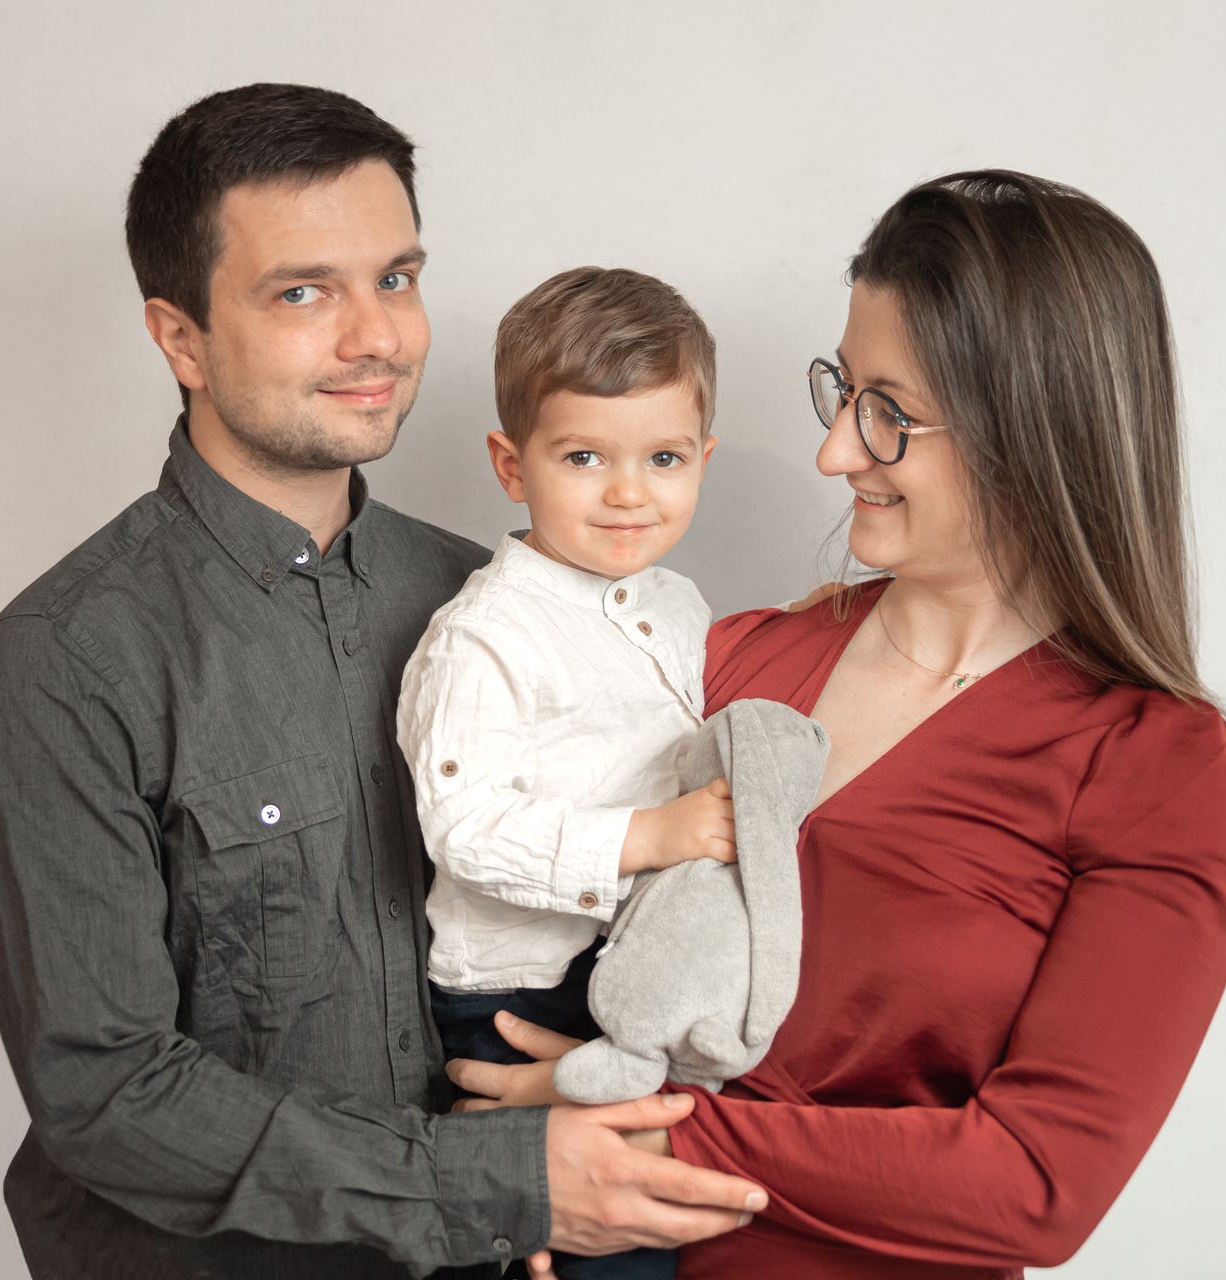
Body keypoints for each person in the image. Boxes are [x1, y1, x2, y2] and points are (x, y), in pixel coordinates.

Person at [0, 84, 763, 1280]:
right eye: (302, 292)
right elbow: (108, 1091)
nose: (377, 335)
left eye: (395, 276)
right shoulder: (69, 660)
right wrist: (500, 1183)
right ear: (181, 338)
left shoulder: (493, 596)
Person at [449, 170, 1226, 1280]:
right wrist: (519, 1176)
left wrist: (632, 1130)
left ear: (1035, 429)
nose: (835, 452)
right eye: (843, 392)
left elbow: (1036, 1185)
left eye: (890, 413)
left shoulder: (1154, 761)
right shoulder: (729, 658)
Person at [397, 266, 737, 1280]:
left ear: (703, 459)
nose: (629, 491)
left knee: (666, 1220)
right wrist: (649, 838)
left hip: (638, 969)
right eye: (584, 456)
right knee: (596, 1245)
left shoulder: (677, 600)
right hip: (526, 992)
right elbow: (464, 824)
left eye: (664, 457)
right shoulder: (485, 636)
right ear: (512, 462)